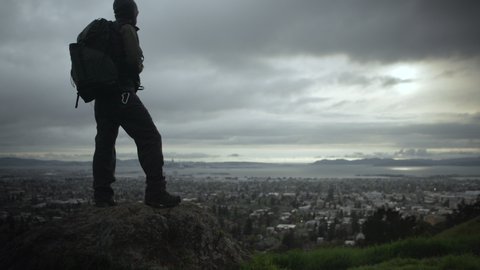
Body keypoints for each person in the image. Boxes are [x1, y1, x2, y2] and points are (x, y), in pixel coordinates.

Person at [92, 0, 180, 208]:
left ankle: (102, 197)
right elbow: (133, 62)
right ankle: (156, 192)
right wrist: (138, 66)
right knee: (150, 137)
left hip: (101, 98)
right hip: (122, 94)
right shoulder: (126, 29)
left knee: (104, 144)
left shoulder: (104, 33)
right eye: (136, 11)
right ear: (132, 12)